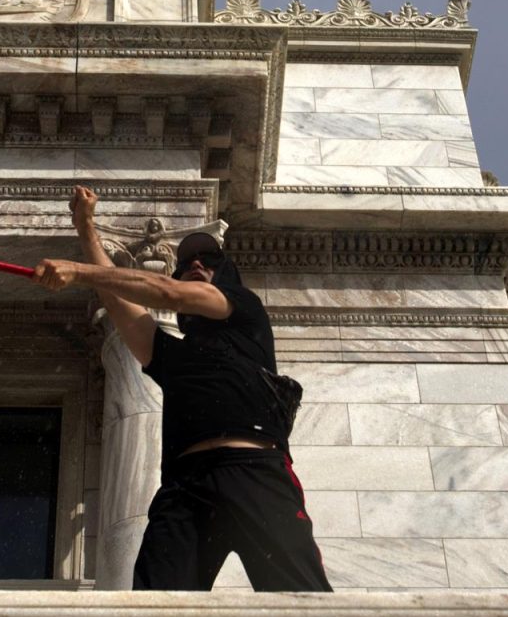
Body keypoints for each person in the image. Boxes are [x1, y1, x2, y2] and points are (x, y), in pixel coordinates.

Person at [32, 185, 332, 592]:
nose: (194, 263)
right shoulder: (172, 356)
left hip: (256, 473)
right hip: (185, 487)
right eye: (187, 260)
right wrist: (86, 231)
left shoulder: (245, 311)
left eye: (208, 260)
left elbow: (169, 293)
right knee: (153, 606)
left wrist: (78, 272)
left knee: (302, 600)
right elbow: (118, 300)